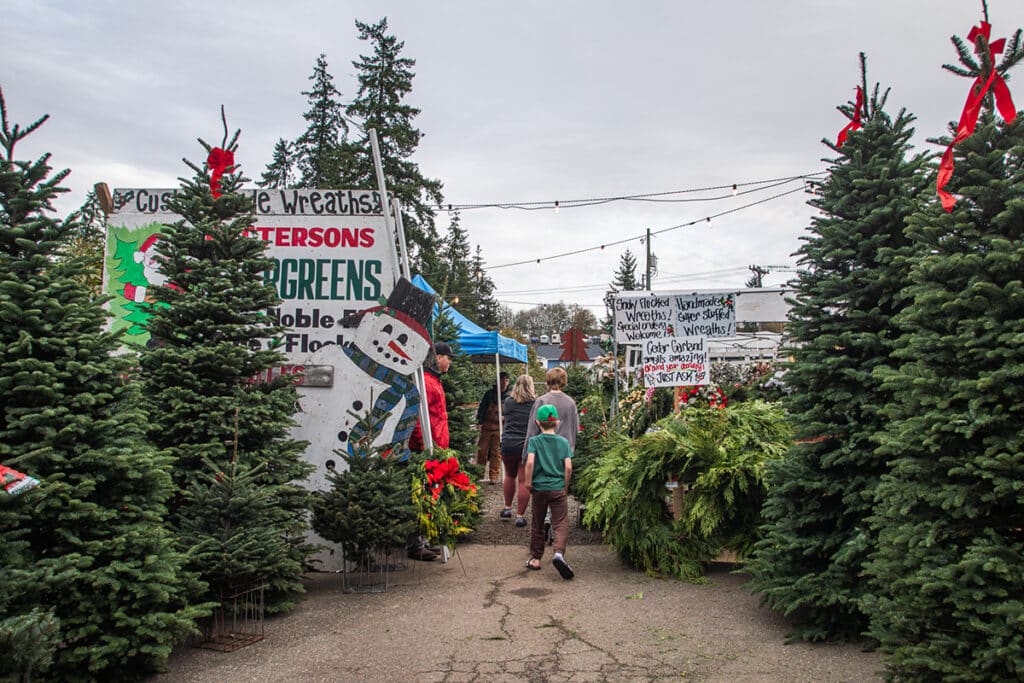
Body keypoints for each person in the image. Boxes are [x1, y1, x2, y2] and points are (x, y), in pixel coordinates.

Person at [406, 340, 453, 560]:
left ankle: (424, 539)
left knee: (430, 494)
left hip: (436, 448)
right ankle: (415, 544)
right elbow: (417, 416)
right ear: (438, 358)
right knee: (421, 494)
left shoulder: (433, 381)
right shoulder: (426, 382)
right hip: (427, 449)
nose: (450, 362)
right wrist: (424, 444)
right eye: (448, 358)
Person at [523, 404, 574, 579]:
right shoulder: (563, 442)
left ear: (538, 422)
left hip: (539, 489)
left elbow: (530, 462)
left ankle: (536, 559)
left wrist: (528, 482)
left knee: (538, 523)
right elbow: (568, 467)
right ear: (557, 422)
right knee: (560, 522)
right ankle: (558, 553)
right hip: (557, 488)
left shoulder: (534, 441)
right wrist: (564, 485)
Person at [499, 374, 537, 526]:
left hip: (508, 443)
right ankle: (520, 516)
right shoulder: (535, 404)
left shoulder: (508, 402)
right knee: (523, 480)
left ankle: (507, 508)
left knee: (509, 475)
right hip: (525, 445)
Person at [523, 367, 580, 454]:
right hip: (564, 452)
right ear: (564, 381)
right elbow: (575, 428)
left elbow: (532, 430)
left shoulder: (541, 401)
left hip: (543, 453)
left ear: (548, 380)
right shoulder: (571, 403)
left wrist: (525, 454)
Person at [475, 372, 509, 484]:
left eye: (506, 380)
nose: (504, 382)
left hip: (500, 428)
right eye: (502, 380)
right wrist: (479, 421)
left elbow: (511, 413)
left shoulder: (509, 397)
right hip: (486, 426)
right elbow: (482, 408)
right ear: (498, 381)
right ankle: (479, 473)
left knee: (496, 453)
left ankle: (494, 476)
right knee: (481, 451)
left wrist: (505, 418)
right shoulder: (489, 394)